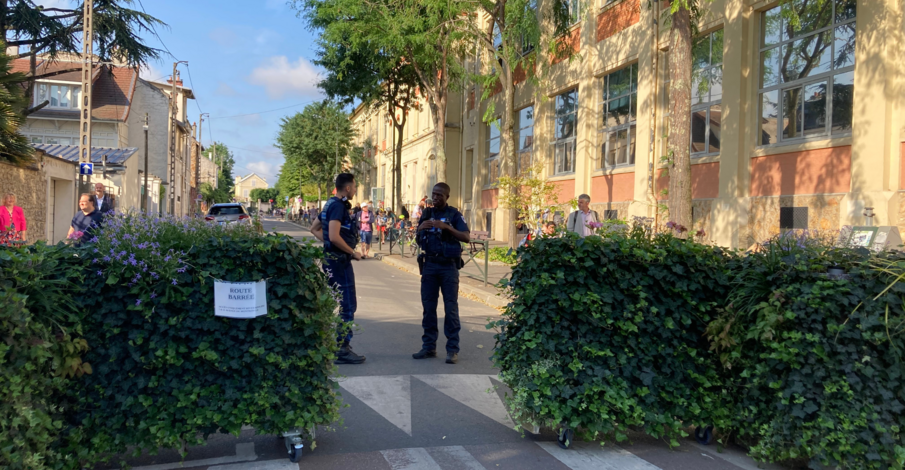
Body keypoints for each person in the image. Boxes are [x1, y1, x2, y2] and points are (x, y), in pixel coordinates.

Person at [309, 173, 366, 364]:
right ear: (348, 188)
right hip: (339, 261)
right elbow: (333, 236)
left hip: (332, 259)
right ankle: (342, 348)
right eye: (355, 186)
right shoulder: (338, 207)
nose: (356, 190)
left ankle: (341, 346)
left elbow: (315, 229)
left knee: (344, 303)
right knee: (348, 305)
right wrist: (351, 252)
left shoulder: (330, 205)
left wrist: (333, 244)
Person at [413, 183, 470, 365]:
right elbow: (419, 238)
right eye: (433, 194)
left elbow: (466, 237)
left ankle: (452, 349)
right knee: (428, 308)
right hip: (429, 264)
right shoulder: (427, 213)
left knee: (450, 308)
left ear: (447, 197)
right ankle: (429, 346)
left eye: (439, 195)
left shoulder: (454, 215)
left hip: (448, 267)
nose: (435, 197)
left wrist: (447, 228)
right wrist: (420, 229)